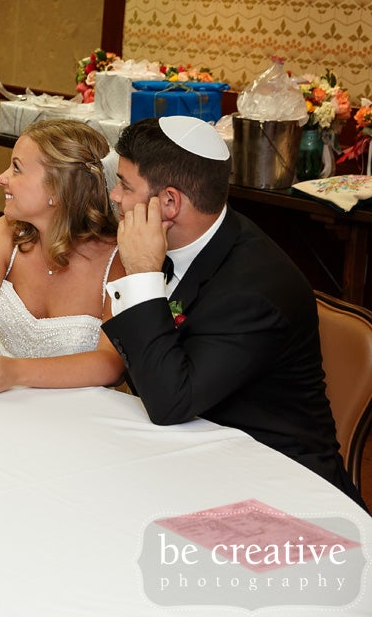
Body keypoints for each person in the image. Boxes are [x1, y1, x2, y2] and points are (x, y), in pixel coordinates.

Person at [101, 115, 363, 505]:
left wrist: (142, 275)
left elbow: (169, 402)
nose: (115, 197)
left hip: (282, 487)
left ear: (170, 202)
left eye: (125, 185)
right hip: (198, 454)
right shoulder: (189, 243)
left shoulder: (254, 289)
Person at [0, 119, 125, 392]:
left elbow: (110, 365)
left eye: (16, 168)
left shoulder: (117, 259)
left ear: (58, 189)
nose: (2, 177)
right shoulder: (8, 234)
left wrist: (16, 372)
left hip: (76, 410)